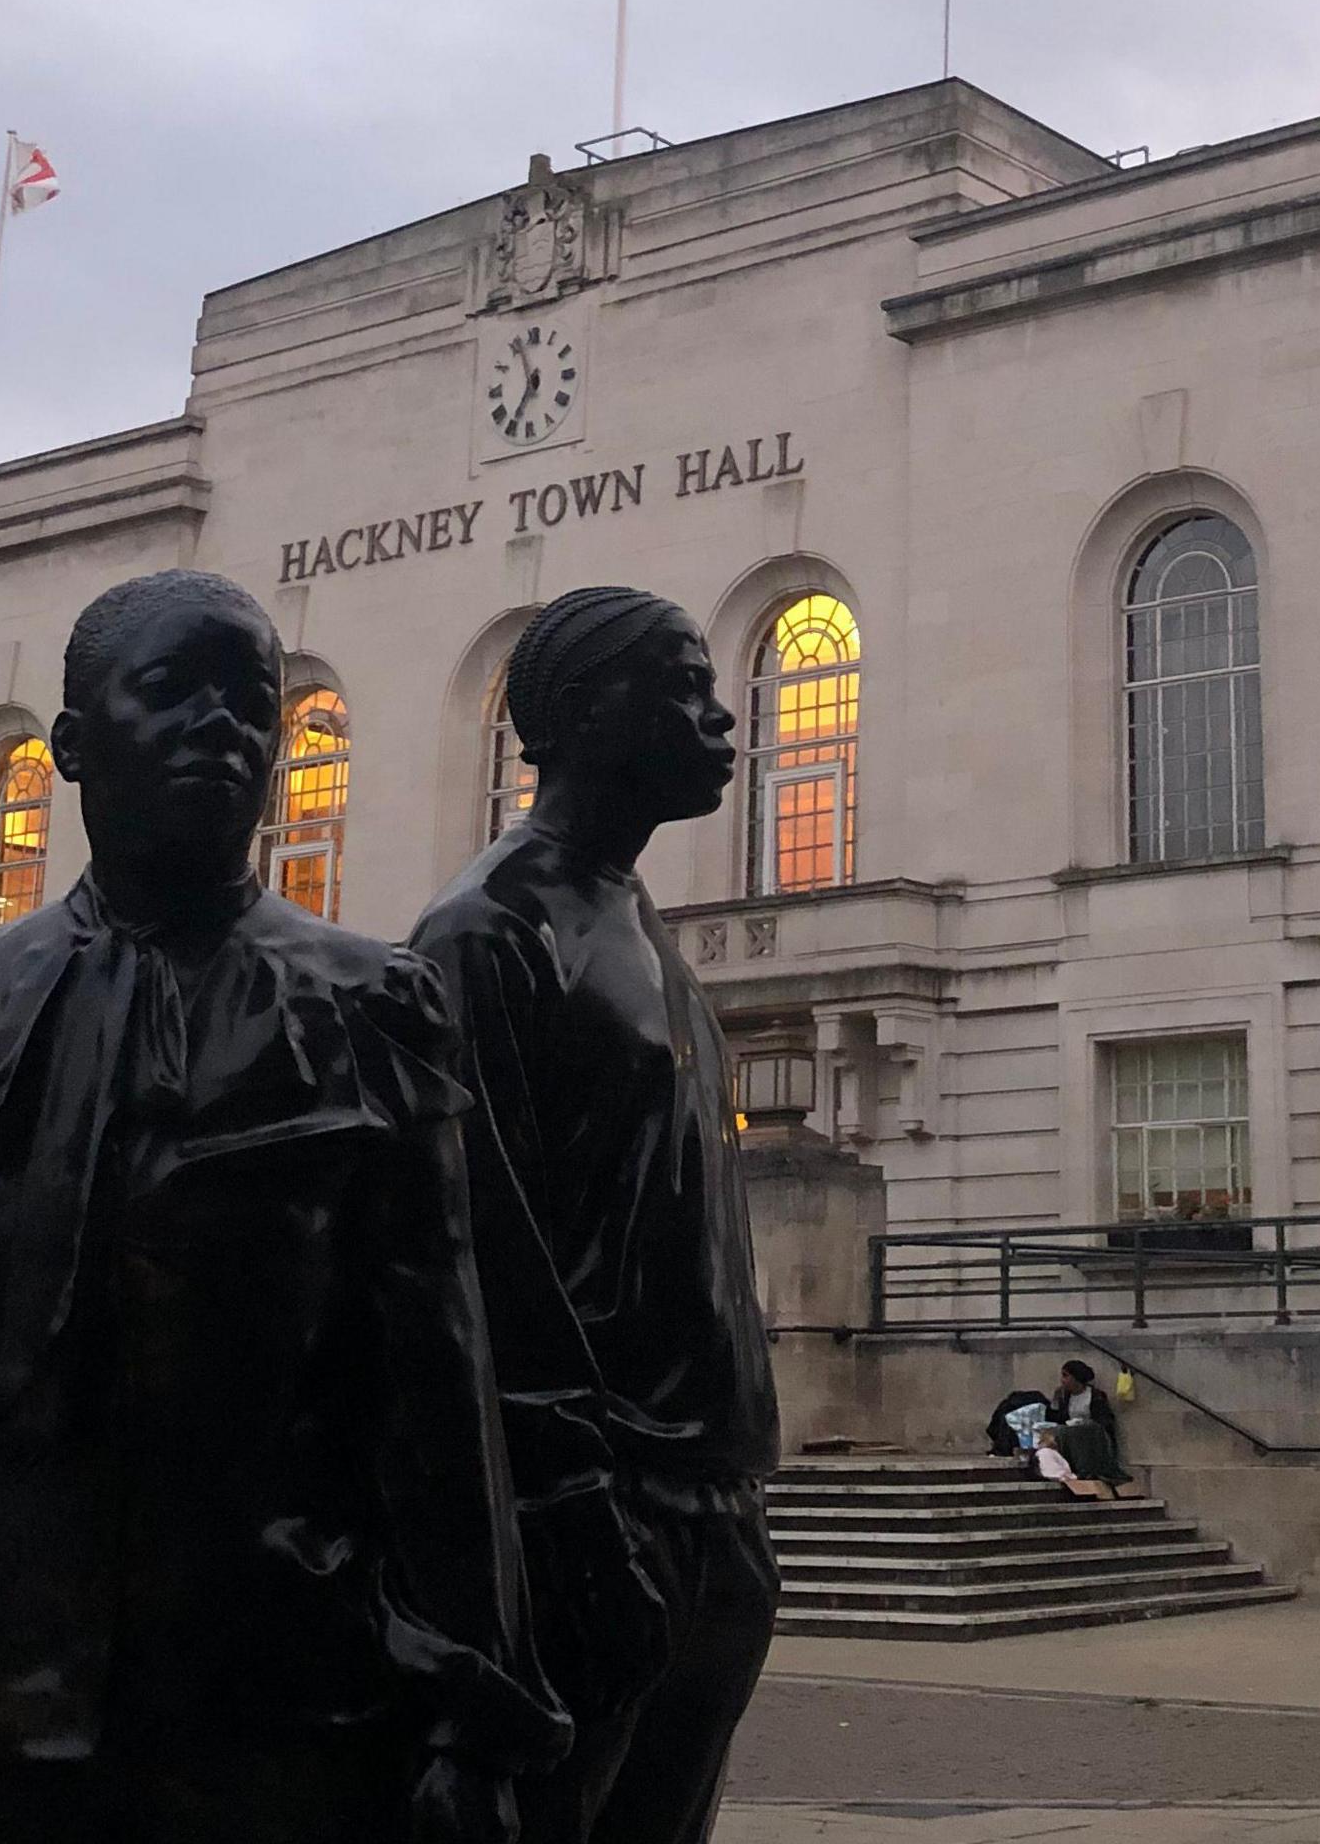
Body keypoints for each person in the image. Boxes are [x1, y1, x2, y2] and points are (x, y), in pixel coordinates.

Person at [0, 569, 563, 1844]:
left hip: (273, 1710)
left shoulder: (376, 1007)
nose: (222, 728)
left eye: (252, 703)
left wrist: (473, 1714)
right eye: (171, 692)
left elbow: (439, 1383)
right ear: (74, 746)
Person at [415, 586, 779, 1844]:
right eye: (682, 684)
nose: (720, 716)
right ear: (574, 715)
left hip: (706, 1503)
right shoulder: (482, 934)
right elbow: (473, 1253)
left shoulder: (640, 923)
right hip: (593, 1516)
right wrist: (570, 1510)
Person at [1049, 1359, 1132, 1498]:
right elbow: (1054, 1418)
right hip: (1069, 1432)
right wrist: (1055, 1404)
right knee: (1060, 1432)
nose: (1063, 1380)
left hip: (1091, 1434)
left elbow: (1104, 1421)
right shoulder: (1063, 1396)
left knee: (1078, 1432)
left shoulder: (1095, 1396)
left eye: (1066, 1376)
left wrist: (1085, 1424)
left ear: (1076, 1378)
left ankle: (1085, 1469)